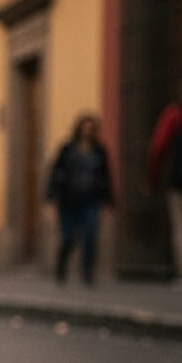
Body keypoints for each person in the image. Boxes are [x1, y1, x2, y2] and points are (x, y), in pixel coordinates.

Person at [46, 114, 114, 286]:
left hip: (90, 200)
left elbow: (105, 176)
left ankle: (88, 273)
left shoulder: (99, 151)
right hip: (69, 200)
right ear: (79, 129)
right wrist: (51, 198)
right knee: (68, 237)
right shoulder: (67, 149)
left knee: (90, 235)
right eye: (85, 128)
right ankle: (61, 265)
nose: (87, 131)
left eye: (90, 128)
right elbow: (56, 173)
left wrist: (108, 201)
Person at [147, 79, 182, 282]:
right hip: (180, 179)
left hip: (180, 179)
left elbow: (159, 148)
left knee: (181, 227)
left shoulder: (174, 115)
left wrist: (152, 180)